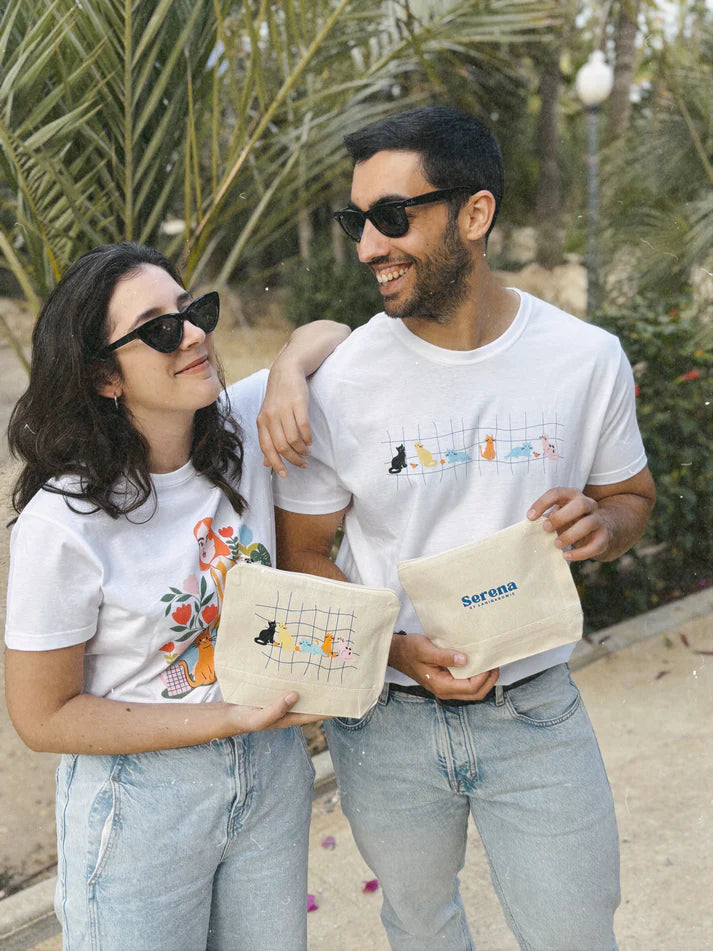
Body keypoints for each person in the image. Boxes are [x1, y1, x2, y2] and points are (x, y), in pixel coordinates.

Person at [272, 106, 656, 950]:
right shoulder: (338, 383)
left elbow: (630, 494)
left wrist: (602, 522)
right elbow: (302, 554)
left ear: (474, 213)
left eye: (391, 216)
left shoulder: (585, 358)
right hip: (386, 722)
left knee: (574, 934)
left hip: (537, 707)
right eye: (355, 221)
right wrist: (397, 650)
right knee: (420, 928)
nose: (367, 246)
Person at [3, 241, 349, 951]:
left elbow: (335, 333)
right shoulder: (63, 521)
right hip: (142, 802)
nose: (193, 334)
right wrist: (227, 717)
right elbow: (43, 717)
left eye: (194, 311)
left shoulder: (241, 428)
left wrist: (287, 368)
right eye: (159, 328)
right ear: (103, 376)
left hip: (269, 778)